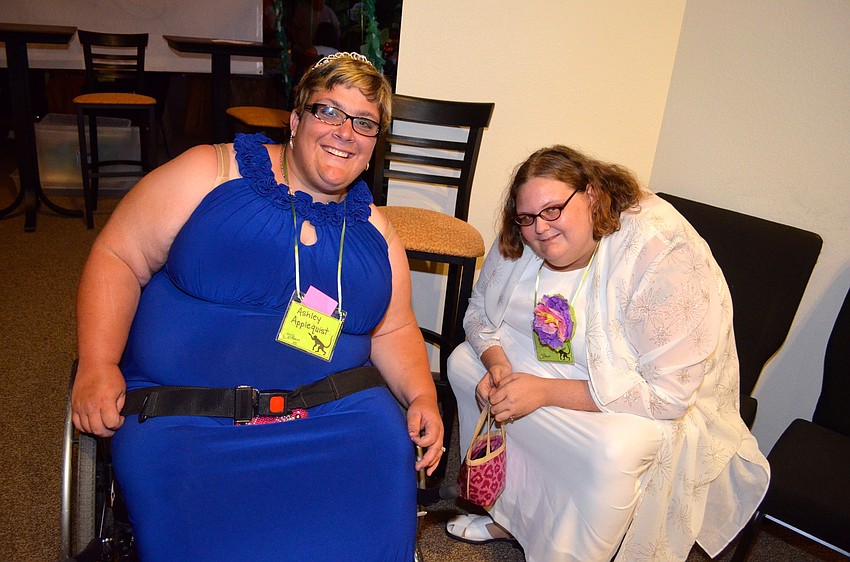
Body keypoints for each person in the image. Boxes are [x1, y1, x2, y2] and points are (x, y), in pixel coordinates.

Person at [71, 52, 444, 561]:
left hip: (338, 419)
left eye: (364, 122)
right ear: (295, 120)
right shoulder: (212, 170)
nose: (344, 131)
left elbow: (395, 328)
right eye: (328, 111)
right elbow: (118, 256)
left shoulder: (376, 229)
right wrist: (97, 364)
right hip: (188, 421)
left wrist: (423, 395)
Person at [445, 145, 770, 561]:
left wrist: (543, 392)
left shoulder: (658, 251)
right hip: (544, 369)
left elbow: (668, 396)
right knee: (463, 363)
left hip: (638, 394)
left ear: (593, 195)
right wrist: (499, 364)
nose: (539, 229)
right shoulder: (527, 228)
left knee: (616, 448)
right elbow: (478, 315)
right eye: (527, 218)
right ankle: (509, 515)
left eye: (553, 211)